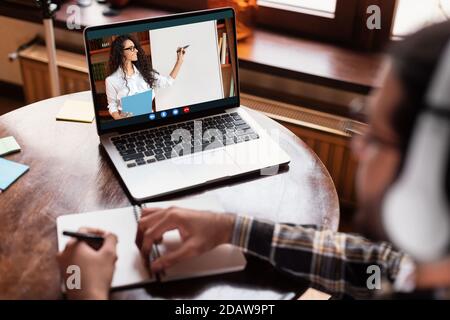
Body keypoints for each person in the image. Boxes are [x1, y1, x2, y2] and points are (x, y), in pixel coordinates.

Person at [58, 22, 450, 299]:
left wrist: (89, 293)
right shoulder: (424, 269)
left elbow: (169, 83)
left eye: (377, 136)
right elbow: (378, 265)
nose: (358, 148)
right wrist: (229, 227)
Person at [105, 34, 186, 120]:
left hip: (149, 121)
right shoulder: (111, 80)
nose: (136, 50)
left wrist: (179, 61)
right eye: (131, 48)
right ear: (121, 52)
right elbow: (112, 104)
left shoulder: (146, 73)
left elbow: (167, 82)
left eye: (135, 47)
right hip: (128, 124)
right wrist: (118, 118)